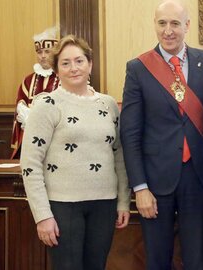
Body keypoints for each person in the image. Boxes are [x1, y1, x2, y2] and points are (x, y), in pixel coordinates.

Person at [119, 0, 203, 269]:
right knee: (157, 259)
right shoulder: (138, 68)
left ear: (187, 26)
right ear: (155, 25)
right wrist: (139, 187)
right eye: (162, 23)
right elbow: (130, 133)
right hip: (154, 180)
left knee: (197, 259)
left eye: (175, 23)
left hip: (198, 176)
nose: (168, 30)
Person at [20, 35, 131, 270]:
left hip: (104, 204)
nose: (74, 68)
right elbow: (30, 164)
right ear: (56, 69)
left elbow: (119, 156)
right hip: (62, 206)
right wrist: (42, 216)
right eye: (66, 63)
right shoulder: (46, 105)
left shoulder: (108, 104)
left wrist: (123, 201)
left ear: (90, 64)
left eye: (79, 61)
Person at [11, 27, 60, 159]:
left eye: (47, 51)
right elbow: (20, 104)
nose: (43, 56)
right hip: (31, 137)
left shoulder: (64, 78)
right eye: (39, 52)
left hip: (57, 139)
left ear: (55, 53)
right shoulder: (27, 81)